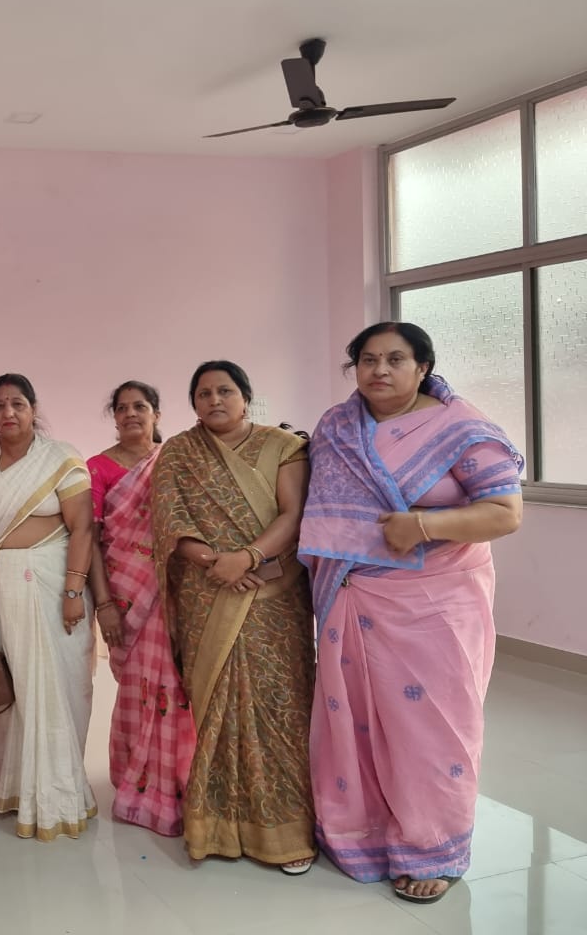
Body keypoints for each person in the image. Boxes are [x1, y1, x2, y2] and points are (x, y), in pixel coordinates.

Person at [300, 322, 523, 905]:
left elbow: (504, 513)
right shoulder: (337, 426)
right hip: (352, 595)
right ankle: (359, 835)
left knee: (432, 728)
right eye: (367, 360)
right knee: (352, 719)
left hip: (435, 600)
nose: (379, 371)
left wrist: (423, 524)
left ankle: (433, 847)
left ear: (422, 366)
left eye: (395, 359)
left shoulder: (461, 428)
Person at [152, 361, 316, 873]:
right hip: (207, 593)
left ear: (247, 396)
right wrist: (214, 562)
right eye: (203, 393)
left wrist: (246, 558)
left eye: (225, 391)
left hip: (274, 591)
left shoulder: (284, 447)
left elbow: (293, 514)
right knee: (217, 704)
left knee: (278, 704)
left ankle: (287, 832)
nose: (214, 400)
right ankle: (219, 825)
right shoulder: (178, 451)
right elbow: (169, 520)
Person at [0, 373, 97, 841]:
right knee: (9, 689)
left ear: (33, 407)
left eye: (17, 404)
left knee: (55, 684)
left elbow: (82, 528)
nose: (8, 413)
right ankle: (16, 788)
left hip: (49, 583)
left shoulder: (60, 457)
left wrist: (72, 591)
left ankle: (60, 794)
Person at [85, 381, 195, 837]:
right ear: (113, 416)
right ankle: (140, 777)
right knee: (137, 687)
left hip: (179, 592)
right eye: (123, 408)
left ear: (156, 413)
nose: (131, 414)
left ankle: (182, 779)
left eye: (141, 407)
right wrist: (104, 604)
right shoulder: (97, 467)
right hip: (127, 594)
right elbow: (90, 539)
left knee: (181, 687)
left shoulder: (176, 458)